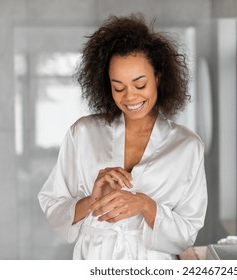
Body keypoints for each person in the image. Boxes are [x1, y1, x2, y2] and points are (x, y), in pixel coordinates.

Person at [38, 13, 208, 260]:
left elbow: (187, 234)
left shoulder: (187, 146)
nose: (130, 97)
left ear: (158, 78)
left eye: (140, 85)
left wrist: (145, 205)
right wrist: (91, 201)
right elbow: (52, 205)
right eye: (118, 87)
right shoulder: (83, 133)